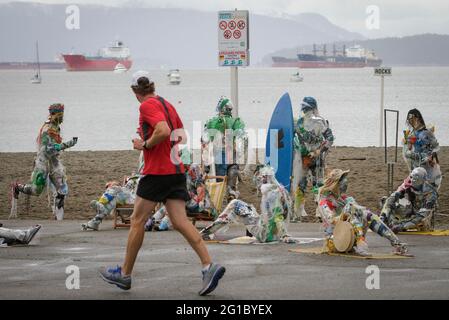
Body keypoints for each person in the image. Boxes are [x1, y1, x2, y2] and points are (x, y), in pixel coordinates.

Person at [99, 71, 225, 295]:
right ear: (152, 86)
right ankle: (208, 265)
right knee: (180, 221)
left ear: (134, 91)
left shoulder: (146, 106)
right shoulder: (168, 105)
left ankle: (125, 274)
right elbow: (182, 136)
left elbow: (164, 130)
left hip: (157, 172)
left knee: (137, 220)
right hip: (176, 172)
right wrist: (164, 146)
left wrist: (145, 144)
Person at [317, 169, 410, 256]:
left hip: (349, 238)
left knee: (368, 214)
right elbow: (331, 220)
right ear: (336, 184)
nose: (345, 185)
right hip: (335, 241)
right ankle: (360, 244)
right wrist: (346, 213)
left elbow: (360, 214)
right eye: (341, 182)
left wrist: (357, 212)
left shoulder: (343, 199)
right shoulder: (324, 201)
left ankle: (396, 243)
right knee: (351, 207)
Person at [10, 103, 78, 220]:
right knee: (36, 190)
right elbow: (48, 148)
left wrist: (61, 147)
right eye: (61, 115)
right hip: (42, 162)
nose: (62, 117)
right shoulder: (47, 129)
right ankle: (18, 188)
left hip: (54, 162)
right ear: (55, 115)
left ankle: (58, 218)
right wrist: (68, 144)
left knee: (62, 189)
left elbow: (53, 147)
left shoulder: (56, 127)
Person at [200, 165, 295, 243]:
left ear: (264, 178)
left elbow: (278, 216)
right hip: (268, 231)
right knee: (245, 208)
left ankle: (205, 232)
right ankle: (207, 231)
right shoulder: (277, 190)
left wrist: (284, 235)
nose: (257, 181)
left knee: (235, 203)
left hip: (265, 234)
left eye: (258, 178)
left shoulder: (272, 194)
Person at [291, 96, 334, 221]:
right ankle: (311, 212)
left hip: (311, 158)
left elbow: (329, 138)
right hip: (310, 158)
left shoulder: (304, 122)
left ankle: (310, 213)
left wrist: (318, 150)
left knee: (311, 186)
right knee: (310, 186)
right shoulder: (305, 122)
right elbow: (330, 139)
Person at [144, 163, 217, 232]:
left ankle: (159, 224)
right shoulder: (189, 178)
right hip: (191, 204)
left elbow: (200, 195)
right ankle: (154, 221)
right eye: (191, 171)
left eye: (193, 171)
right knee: (170, 204)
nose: (191, 173)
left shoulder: (198, 181)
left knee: (176, 202)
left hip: (202, 206)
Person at [81, 153, 143, 231]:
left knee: (115, 189)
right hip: (126, 197)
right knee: (114, 198)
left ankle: (101, 205)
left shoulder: (145, 178)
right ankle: (95, 222)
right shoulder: (135, 177)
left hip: (136, 198)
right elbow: (126, 187)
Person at [202, 96, 247, 200]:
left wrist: (206, 163)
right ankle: (231, 192)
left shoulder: (213, 121)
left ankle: (220, 197)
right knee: (233, 170)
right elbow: (243, 135)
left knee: (220, 180)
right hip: (232, 151)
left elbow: (205, 139)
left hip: (219, 153)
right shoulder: (235, 121)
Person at [380, 167, 438, 233]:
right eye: (411, 177)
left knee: (423, 221)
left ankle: (399, 225)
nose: (412, 180)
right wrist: (384, 214)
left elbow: (422, 216)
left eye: (415, 179)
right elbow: (393, 197)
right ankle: (387, 220)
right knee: (386, 200)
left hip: (423, 215)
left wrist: (401, 226)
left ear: (421, 180)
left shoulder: (430, 193)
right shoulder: (407, 183)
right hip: (411, 209)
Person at [402, 108, 441, 189]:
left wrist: (431, 156)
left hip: (427, 164)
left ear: (418, 118)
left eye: (412, 119)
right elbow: (407, 150)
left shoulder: (427, 132)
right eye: (409, 120)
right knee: (415, 187)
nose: (410, 122)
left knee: (425, 187)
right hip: (415, 164)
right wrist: (407, 144)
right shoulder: (411, 133)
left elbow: (436, 147)